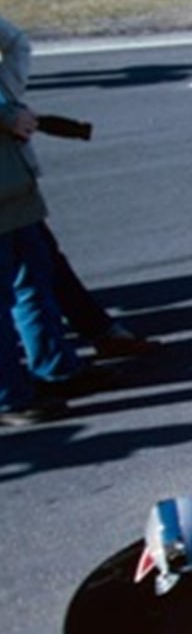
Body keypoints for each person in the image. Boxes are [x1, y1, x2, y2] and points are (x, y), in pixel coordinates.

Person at [0, 16, 157, 362]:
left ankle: (71, 352)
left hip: (13, 187)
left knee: (39, 260)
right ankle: (39, 376)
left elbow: (14, 42)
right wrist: (5, 111)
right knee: (30, 274)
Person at [0, 35, 87, 426]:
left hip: (14, 188)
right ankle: (8, 398)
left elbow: (13, 38)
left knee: (33, 281)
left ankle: (55, 368)